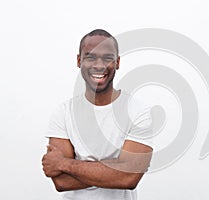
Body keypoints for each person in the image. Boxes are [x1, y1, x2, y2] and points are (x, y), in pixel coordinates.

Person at [42, 29, 153, 200]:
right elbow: (62, 182)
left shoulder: (137, 111)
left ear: (117, 62)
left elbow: (129, 178)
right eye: (90, 57)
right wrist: (118, 169)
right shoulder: (63, 113)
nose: (99, 65)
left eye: (107, 58)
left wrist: (63, 163)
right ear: (79, 61)